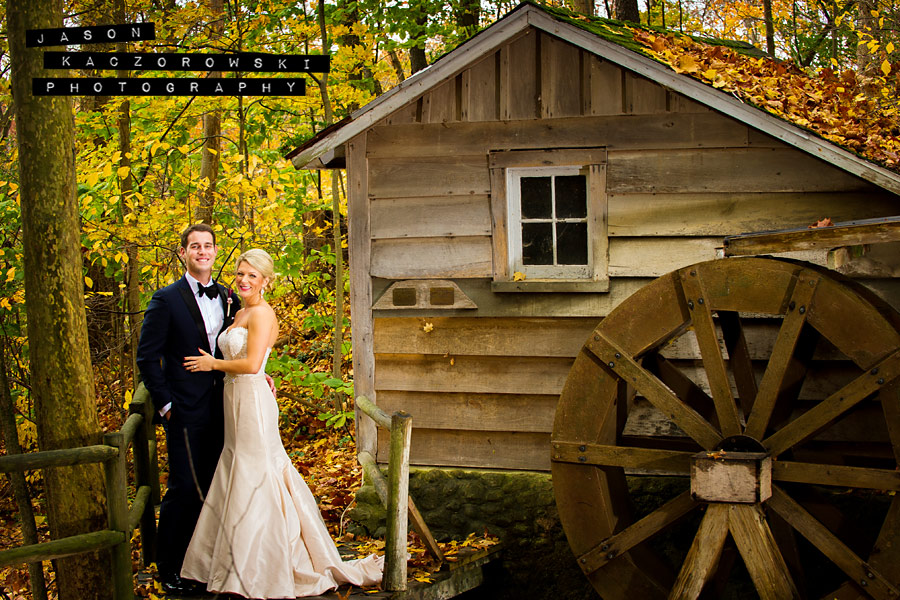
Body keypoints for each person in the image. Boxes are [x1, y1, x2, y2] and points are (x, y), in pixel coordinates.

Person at [181, 249, 383, 598]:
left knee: (256, 472)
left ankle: (261, 566)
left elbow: (251, 363)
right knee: (238, 470)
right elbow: (256, 363)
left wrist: (214, 365)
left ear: (266, 282)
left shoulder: (261, 314)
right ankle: (232, 563)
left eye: (252, 276)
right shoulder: (240, 311)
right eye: (241, 273)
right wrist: (257, 373)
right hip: (236, 400)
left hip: (252, 403)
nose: (244, 280)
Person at [136, 223, 240, 595]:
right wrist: (165, 406)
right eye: (194, 246)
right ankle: (170, 567)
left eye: (207, 245)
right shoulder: (165, 300)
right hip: (184, 411)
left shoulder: (230, 297)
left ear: (214, 251)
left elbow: (241, 348)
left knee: (219, 483)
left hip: (227, 407)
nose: (201, 251)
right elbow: (147, 358)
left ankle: (207, 560)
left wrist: (261, 375)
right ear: (183, 253)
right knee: (184, 487)